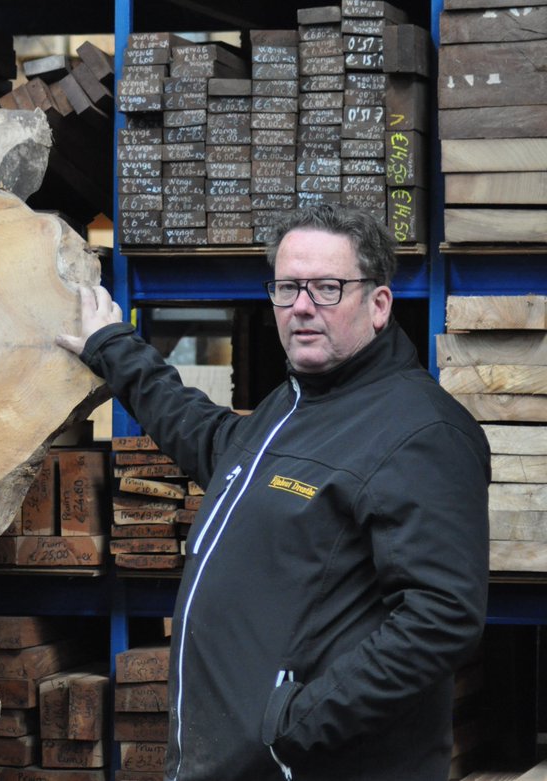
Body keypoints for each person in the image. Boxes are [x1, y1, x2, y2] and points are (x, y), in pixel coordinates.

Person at [58, 204, 489, 780]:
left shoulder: (422, 433)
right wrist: (113, 347)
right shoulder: (294, 405)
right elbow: (211, 440)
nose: (303, 308)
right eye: (288, 288)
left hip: (309, 766)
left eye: (328, 288)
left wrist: (292, 727)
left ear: (378, 304)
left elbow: (441, 618)